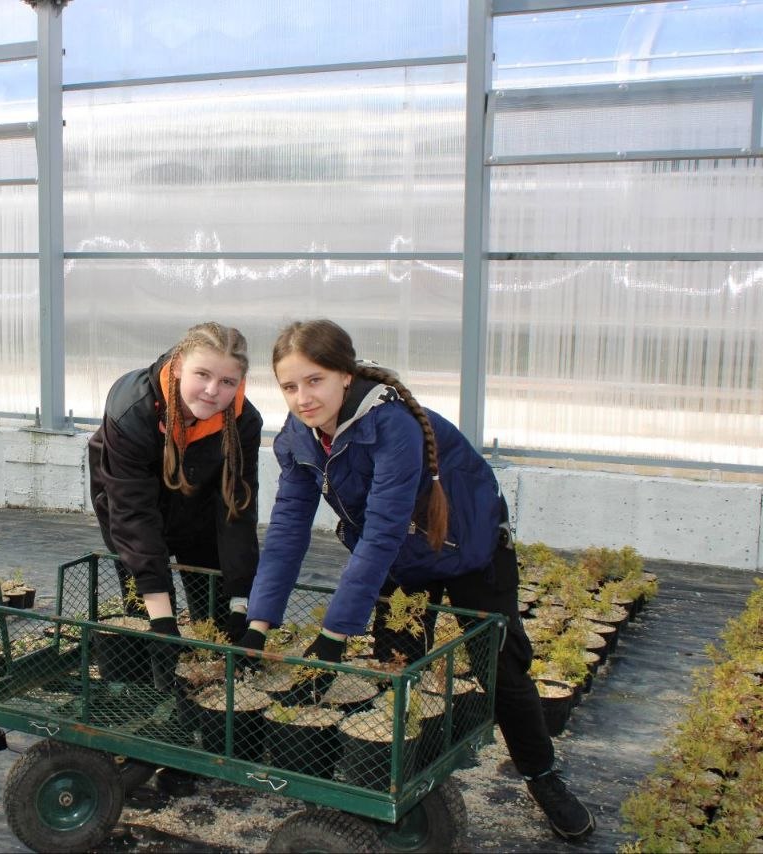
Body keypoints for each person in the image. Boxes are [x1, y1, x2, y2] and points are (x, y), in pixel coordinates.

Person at [237, 319, 595, 843]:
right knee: (396, 667)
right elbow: (288, 530)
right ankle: (407, 793)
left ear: (344, 374)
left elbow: (382, 530)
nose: (302, 398)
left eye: (314, 381)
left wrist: (335, 636)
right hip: (403, 566)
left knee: (500, 670)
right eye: (289, 386)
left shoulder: (391, 425)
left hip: (470, 553)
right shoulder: (298, 438)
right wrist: (258, 624)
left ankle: (543, 779)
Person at [88, 321, 262, 672]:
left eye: (228, 381)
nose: (213, 391)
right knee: (146, 618)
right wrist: (164, 624)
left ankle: (201, 674)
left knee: (214, 615)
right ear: (180, 365)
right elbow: (133, 514)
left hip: (198, 513)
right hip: (132, 511)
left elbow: (238, 509)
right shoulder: (132, 408)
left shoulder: (243, 421)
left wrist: (241, 600)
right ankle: (142, 681)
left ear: (240, 382)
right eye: (202, 374)